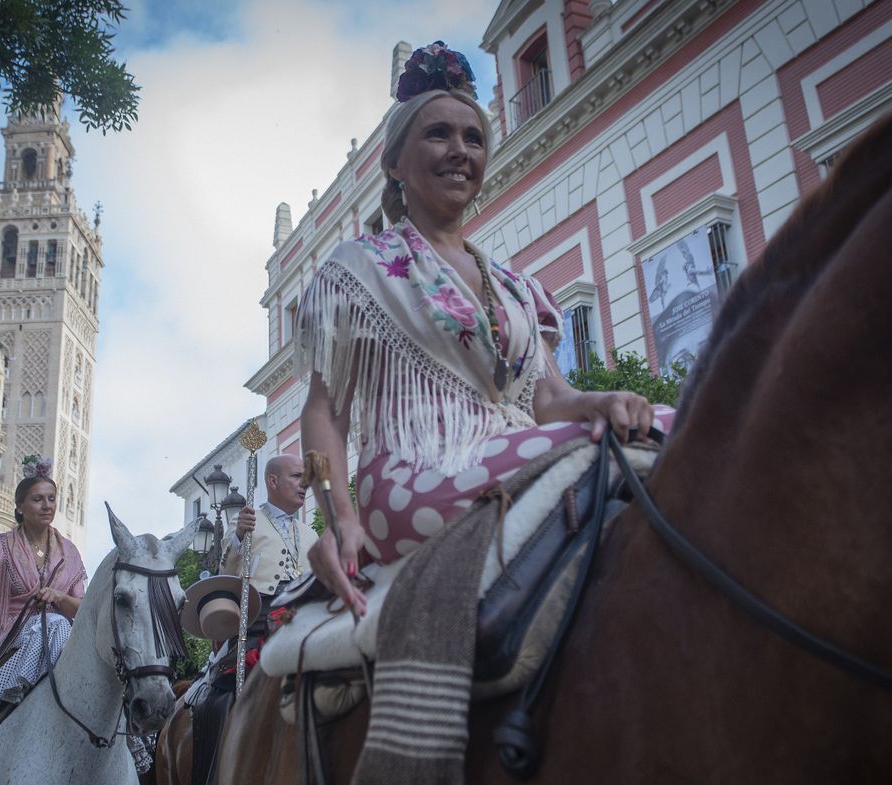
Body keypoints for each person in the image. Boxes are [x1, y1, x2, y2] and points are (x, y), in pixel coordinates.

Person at [298, 43, 656, 613]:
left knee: (663, 427)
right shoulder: (356, 269)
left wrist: (605, 400)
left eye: (474, 138)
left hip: (522, 446)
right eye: (438, 134)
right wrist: (338, 513)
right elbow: (324, 411)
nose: (460, 150)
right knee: (601, 459)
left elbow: (552, 399)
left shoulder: (517, 288)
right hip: (415, 475)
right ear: (395, 163)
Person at [0, 455, 87, 700]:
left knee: (59, 625)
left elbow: (83, 609)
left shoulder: (70, 552)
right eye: (37, 500)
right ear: (20, 507)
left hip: (62, 642)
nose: (47, 506)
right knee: (53, 624)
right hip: (12, 638)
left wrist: (59, 597)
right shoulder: (0, 546)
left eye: (51, 499)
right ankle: (5, 687)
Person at [224, 453, 319, 596]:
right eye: (296, 476)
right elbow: (225, 572)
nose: (305, 483)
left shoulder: (311, 534)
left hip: (304, 608)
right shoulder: (246, 521)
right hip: (261, 607)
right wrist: (239, 535)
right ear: (273, 481)